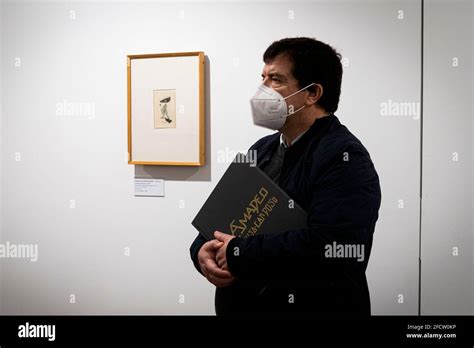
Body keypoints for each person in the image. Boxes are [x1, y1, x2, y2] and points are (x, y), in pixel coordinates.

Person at [189, 37, 381, 318]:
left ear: (312, 93)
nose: (262, 90)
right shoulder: (262, 149)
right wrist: (201, 253)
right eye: (263, 78)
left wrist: (238, 252)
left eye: (275, 80)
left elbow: (334, 247)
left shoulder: (345, 157)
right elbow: (216, 221)